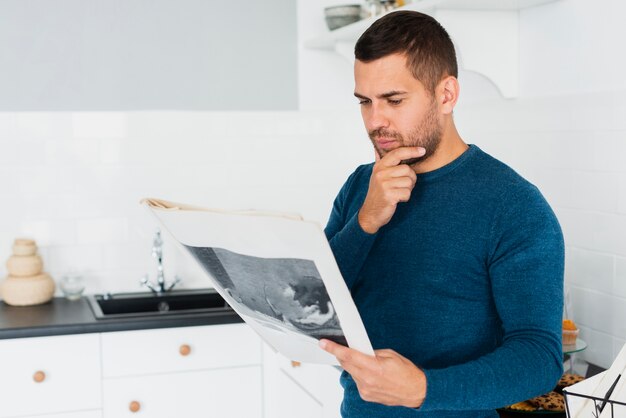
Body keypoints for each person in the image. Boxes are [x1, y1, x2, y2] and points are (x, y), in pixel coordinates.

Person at [319, 10, 564, 418]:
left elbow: (539, 357)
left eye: (394, 100)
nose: (375, 121)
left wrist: (423, 389)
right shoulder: (359, 187)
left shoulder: (514, 205)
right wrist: (364, 223)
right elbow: (318, 306)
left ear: (447, 95)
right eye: (365, 102)